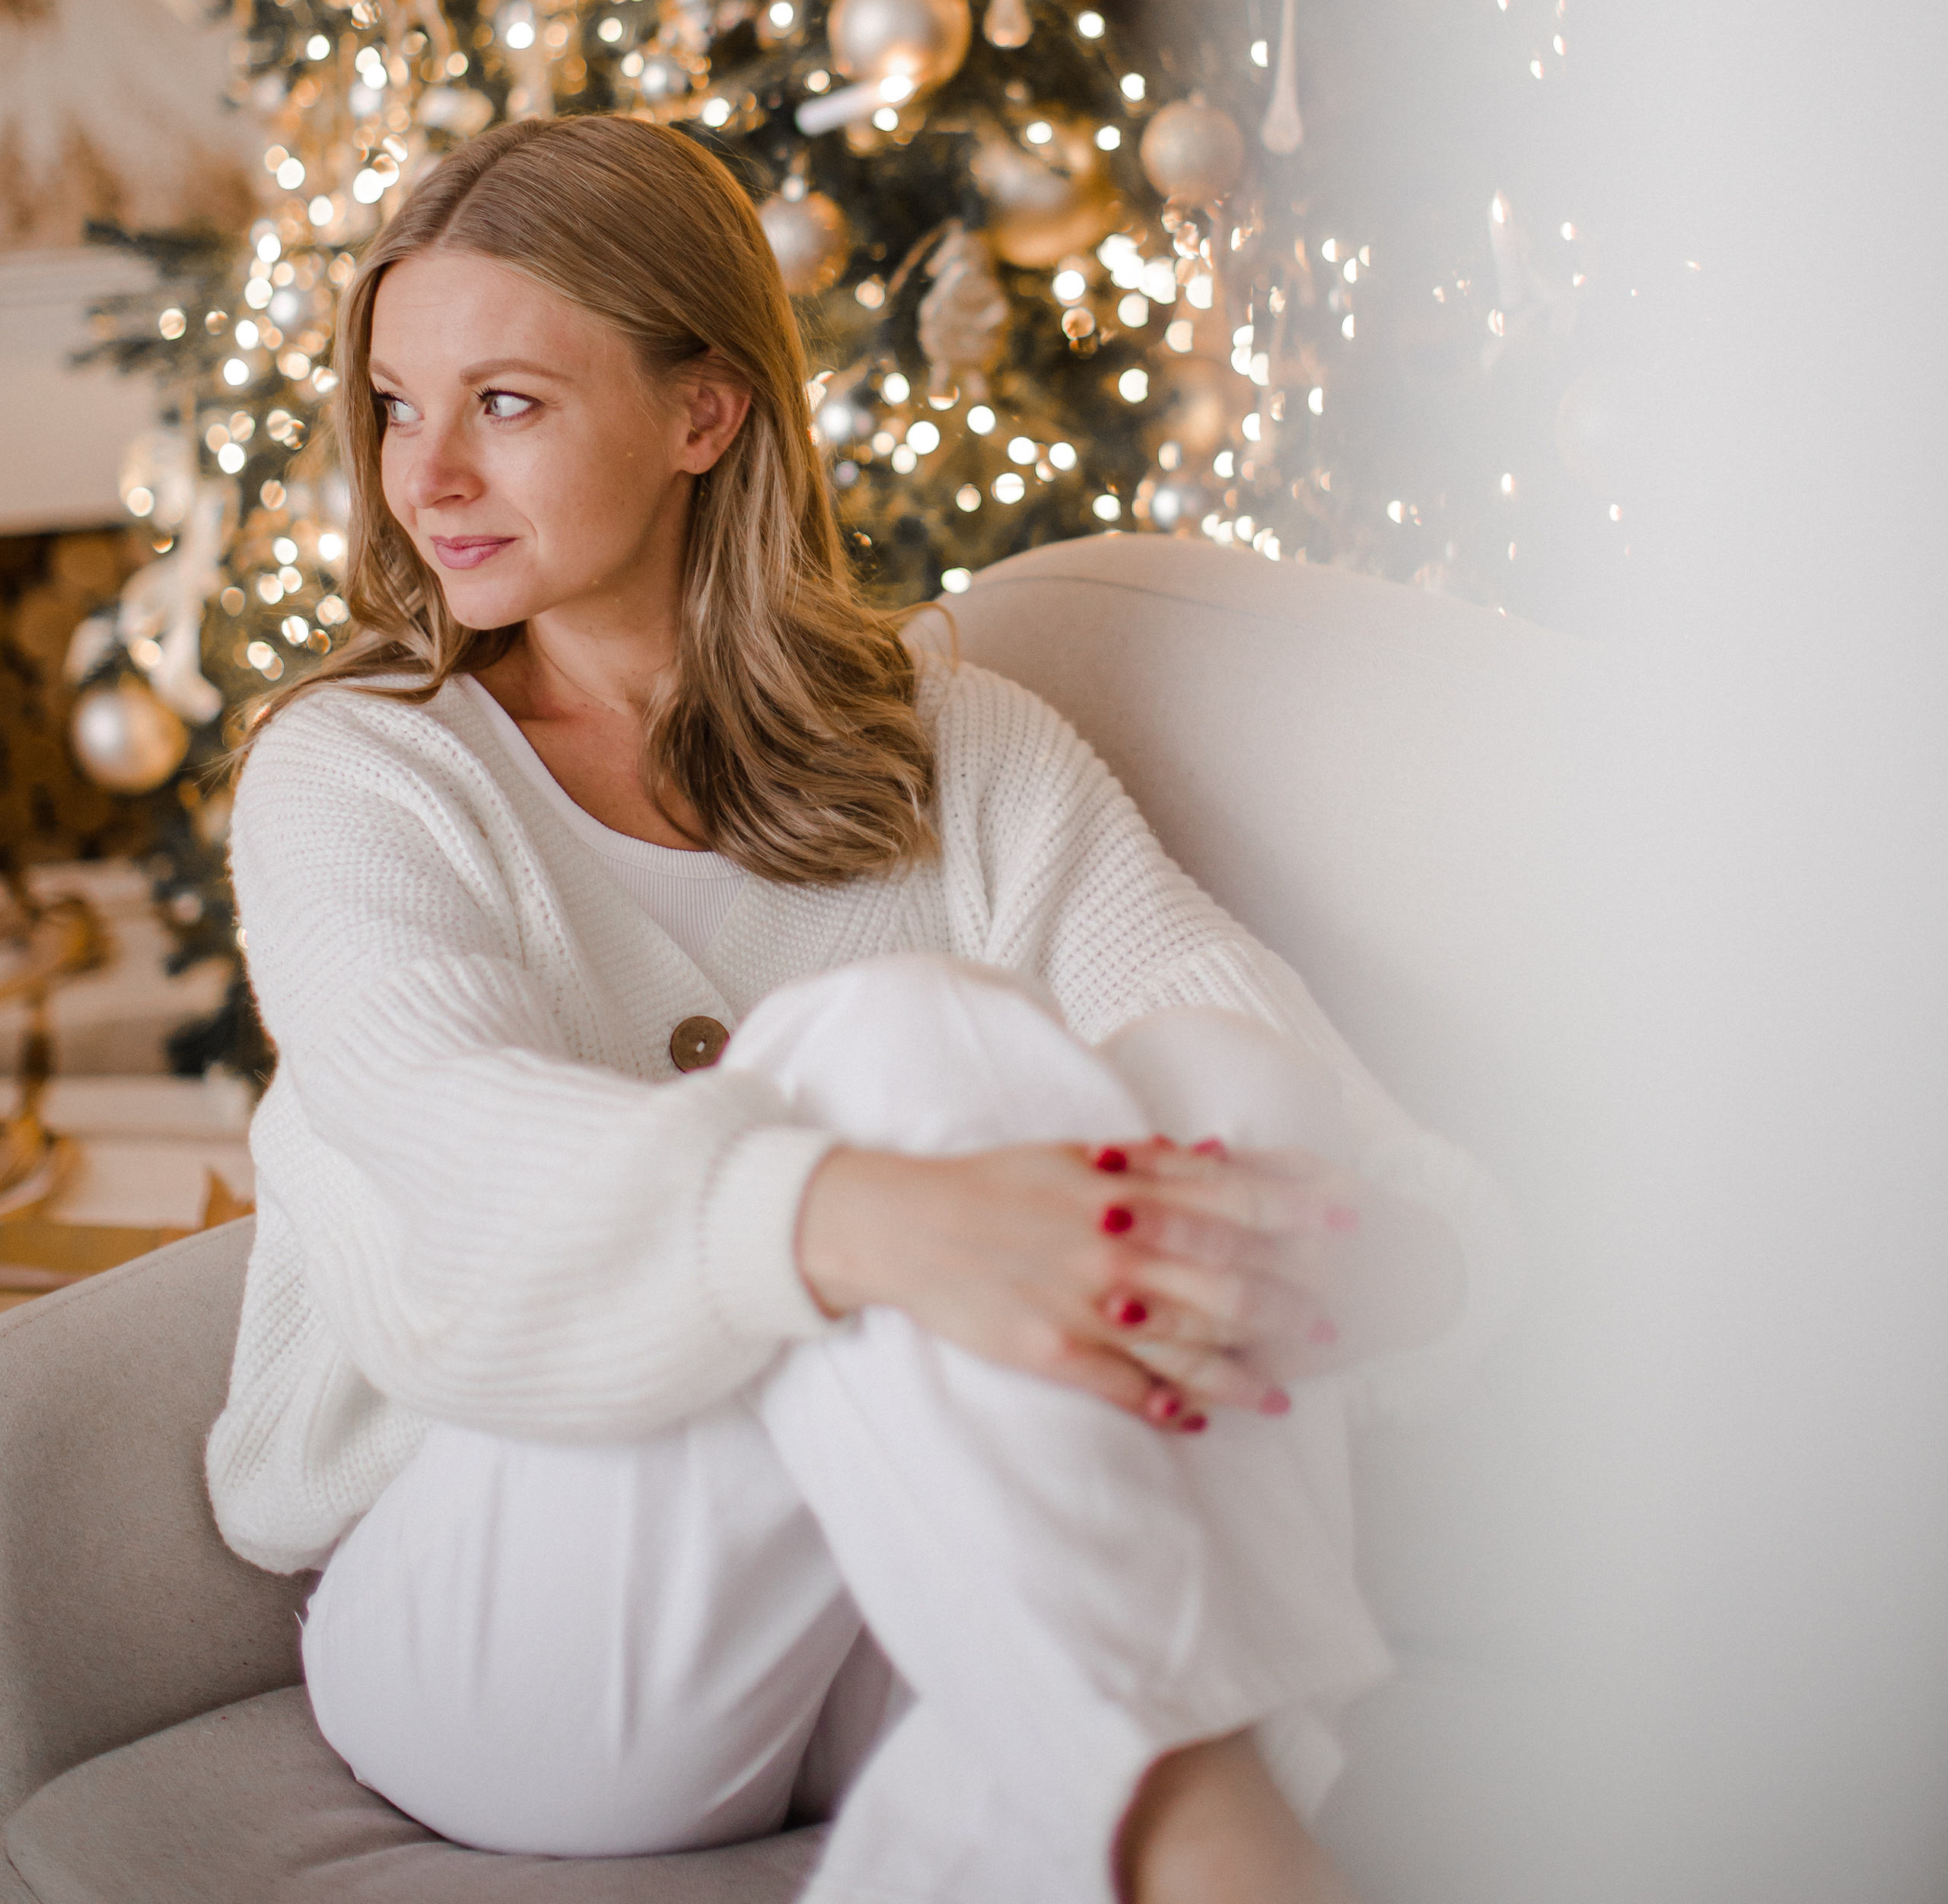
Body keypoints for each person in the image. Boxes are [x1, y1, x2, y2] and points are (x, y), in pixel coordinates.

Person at [208, 112, 1511, 1904]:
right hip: (511, 1622)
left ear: (703, 412)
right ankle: (1209, 1834)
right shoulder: (358, 772)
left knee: (1220, 1074)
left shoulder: (960, 745)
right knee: (890, 1045)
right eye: (392, 405)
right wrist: (865, 1216)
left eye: (503, 404)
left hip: (890, 1613)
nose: (421, 476)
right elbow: (451, 1168)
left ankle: (1093, 1798)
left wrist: (1387, 1266)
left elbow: (1276, 1078)